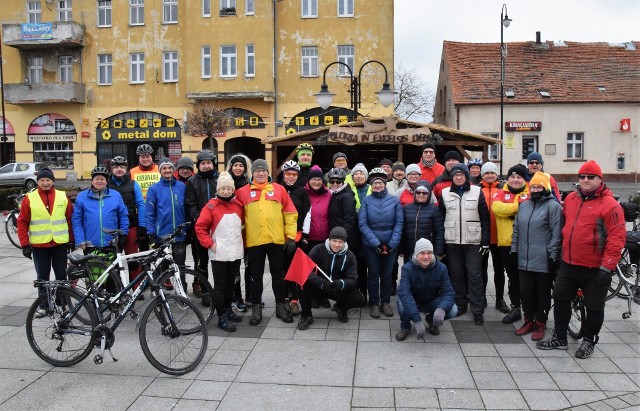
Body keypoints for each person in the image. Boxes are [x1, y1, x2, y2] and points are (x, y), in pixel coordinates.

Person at [537, 160, 626, 359]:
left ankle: (589, 340)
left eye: (590, 177)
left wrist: (607, 267)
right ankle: (560, 337)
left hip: (594, 267)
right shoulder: (571, 199)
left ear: (600, 180)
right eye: (582, 176)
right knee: (560, 299)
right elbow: (565, 228)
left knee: (594, 306)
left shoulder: (610, 206)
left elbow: (616, 238)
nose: (585, 180)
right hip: (569, 263)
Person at [235, 159, 298, 325]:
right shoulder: (242, 192)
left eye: (263, 170)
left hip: (276, 240)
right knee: (255, 277)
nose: (261, 173)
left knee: (278, 275)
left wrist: (291, 237)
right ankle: (256, 307)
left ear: (268, 172)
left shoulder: (279, 189)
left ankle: (280, 306)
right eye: (257, 171)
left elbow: (290, 214)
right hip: (254, 241)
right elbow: (237, 218)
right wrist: (240, 240)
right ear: (252, 173)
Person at [511, 172, 563, 341]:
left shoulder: (553, 206)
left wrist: (553, 255)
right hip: (524, 260)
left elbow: (556, 234)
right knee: (526, 293)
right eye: (533, 186)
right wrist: (514, 250)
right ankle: (528, 320)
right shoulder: (524, 206)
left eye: (539, 186)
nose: (535, 189)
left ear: (546, 188)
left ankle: (541, 323)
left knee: (542, 294)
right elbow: (517, 229)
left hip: (543, 260)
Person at [17, 167, 74, 318]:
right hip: (39, 245)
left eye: (48, 180)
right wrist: (24, 244)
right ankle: (44, 305)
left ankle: (62, 304)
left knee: (61, 276)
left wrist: (72, 240)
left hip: (59, 244)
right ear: (38, 182)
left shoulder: (62, 196)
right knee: (42, 276)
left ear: (53, 181)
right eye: (42, 180)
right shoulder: (30, 198)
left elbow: (70, 219)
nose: (45, 183)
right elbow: (22, 222)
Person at [439, 163, 490, 325]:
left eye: (461, 175)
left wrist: (485, 241)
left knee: (475, 275)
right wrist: (441, 243)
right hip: (452, 241)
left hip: (473, 241)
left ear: (466, 176)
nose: (459, 177)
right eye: (455, 175)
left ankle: (477, 309)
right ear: (452, 177)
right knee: (457, 275)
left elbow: (485, 218)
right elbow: (440, 219)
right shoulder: (445, 193)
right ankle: (460, 304)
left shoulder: (477, 191)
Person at [195, 172, 244, 332]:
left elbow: (242, 226)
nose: (225, 191)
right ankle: (221, 316)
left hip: (235, 251)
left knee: (231, 284)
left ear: (233, 190)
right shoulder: (210, 207)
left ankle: (229, 309)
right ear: (218, 190)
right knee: (220, 286)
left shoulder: (238, 205)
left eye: (229, 188)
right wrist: (210, 244)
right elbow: (200, 227)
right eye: (222, 188)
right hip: (219, 253)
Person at [296, 227, 365, 330]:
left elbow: (353, 280)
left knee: (359, 299)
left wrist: (341, 283)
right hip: (319, 286)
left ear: (344, 242)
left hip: (337, 288)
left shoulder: (350, 256)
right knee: (301, 283)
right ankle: (306, 315)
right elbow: (306, 271)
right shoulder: (318, 249)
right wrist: (323, 283)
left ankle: (341, 308)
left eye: (340, 242)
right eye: (334, 241)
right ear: (329, 240)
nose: (336, 244)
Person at [359, 167, 403, 318]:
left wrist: (392, 243)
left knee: (387, 274)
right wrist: (376, 243)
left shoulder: (394, 200)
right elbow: (363, 224)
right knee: (373, 274)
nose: (377, 185)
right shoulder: (366, 200)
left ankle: (385, 302)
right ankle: (374, 303)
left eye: (380, 183)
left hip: (391, 242)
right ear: (371, 185)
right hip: (371, 245)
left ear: (385, 184)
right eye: (375, 183)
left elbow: (399, 223)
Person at [396, 239, 457, 340]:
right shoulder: (407, 268)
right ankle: (405, 327)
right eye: (422, 253)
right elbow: (404, 293)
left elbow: (449, 293)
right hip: (413, 301)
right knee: (402, 303)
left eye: (429, 253)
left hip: (431, 301)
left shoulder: (442, 268)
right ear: (416, 254)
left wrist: (441, 308)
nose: (426, 256)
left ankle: (431, 320)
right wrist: (417, 320)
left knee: (453, 310)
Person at [492, 164, 529, 325]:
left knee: (527, 278)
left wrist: (510, 209)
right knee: (513, 277)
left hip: (527, 244)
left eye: (519, 177)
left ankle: (530, 309)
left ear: (524, 179)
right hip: (506, 243)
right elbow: (496, 208)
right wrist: (519, 207)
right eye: (512, 177)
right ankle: (515, 308)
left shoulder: (529, 192)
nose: (515, 180)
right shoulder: (500, 192)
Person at [185, 150, 219, 303]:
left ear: (213, 164)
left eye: (208, 163)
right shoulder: (192, 181)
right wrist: (200, 221)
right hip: (200, 228)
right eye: (203, 163)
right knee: (202, 261)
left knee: (221, 261)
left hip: (219, 227)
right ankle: (205, 290)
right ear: (198, 165)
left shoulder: (220, 178)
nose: (206, 166)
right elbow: (190, 203)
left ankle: (221, 290)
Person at [146, 157, 187, 278]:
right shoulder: (154, 189)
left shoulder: (182, 186)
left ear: (173, 170)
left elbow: (186, 208)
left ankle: (182, 291)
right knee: (161, 266)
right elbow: (149, 213)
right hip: (162, 234)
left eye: (170, 167)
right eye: (164, 168)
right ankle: (159, 292)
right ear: (160, 171)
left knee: (180, 266)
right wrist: (151, 233)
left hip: (179, 234)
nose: (167, 170)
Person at [107, 156, 146, 284]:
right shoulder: (106, 183)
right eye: (116, 167)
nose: (119, 170)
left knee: (133, 259)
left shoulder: (133, 184)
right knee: (113, 260)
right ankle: (115, 287)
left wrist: (142, 225)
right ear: (112, 169)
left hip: (131, 226)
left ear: (126, 169)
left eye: (122, 167)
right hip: (111, 228)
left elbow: (140, 204)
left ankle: (136, 287)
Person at [72, 165, 129, 251]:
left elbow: (123, 215)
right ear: (92, 181)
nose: (99, 181)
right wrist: (80, 241)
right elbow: (77, 221)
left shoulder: (116, 195)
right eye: (97, 179)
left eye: (102, 179)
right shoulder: (82, 197)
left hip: (111, 243)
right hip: (90, 244)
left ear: (106, 182)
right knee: (94, 265)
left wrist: (123, 234)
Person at [280, 160, 311, 316]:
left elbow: (307, 213)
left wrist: (305, 235)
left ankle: (294, 300)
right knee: (281, 269)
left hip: (297, 236)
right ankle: (283, 298)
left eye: (294, 174)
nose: (291, 177)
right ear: (283, 174)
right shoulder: (277, 189)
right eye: (288, 174)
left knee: (294, 269)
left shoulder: (302, 191)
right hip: (279, 236)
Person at [478, 162, 508, 314]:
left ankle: (500, 299)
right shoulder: (477, 190)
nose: (489, 175)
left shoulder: (503, 190)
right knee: (482, 268)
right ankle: (482, 298)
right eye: (486, 173)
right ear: (482, 175)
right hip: (483, 238)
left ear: (496, 175)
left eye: (492, 173)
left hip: (499, 238)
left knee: (499, 269)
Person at [226, 153, 252, 310]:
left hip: (248, 232)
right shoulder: (224, 182)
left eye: (241, 165)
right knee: (234, 268)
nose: (238, 168)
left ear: (245, 168)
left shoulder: (249, 184)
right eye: (235, 165)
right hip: (231, 233)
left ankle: (250, 296)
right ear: (231, 166)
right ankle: (237, 296)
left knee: (250, 266)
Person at [401, 180, 445, 260]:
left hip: (427, 252)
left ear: (429, 195)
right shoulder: (406, 209)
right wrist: (400, 249)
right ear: (415, 193)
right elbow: (402, 230)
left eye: (424, 193)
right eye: (418, 192)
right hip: (409, 250)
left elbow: (439, 232)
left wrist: (438, 252)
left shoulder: (435, 210)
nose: (421, 195)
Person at [129, 143, 159, 253]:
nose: (145, 159)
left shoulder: (159, 169)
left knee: (158, 246)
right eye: (142, 157)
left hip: (158, 212)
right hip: (140, 215)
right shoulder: (132, 172)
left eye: (147, 156)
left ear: (152, 157)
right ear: (139, 158)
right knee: (143, 248)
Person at [349, 163, 370, 302]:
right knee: (356, 264)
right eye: (356, 173)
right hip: (354, 232)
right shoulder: (348, 189)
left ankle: (366, 293)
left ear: (365, 176)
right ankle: (357, 295)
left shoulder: (372, 189)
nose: (358, 175)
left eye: (361, 173)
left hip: (369, 230)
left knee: (368, 265)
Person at [327, 167, 357, 244]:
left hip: (343, 237)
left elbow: (349, 219)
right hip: (334, 234)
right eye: (332, 181)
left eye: (338, 182)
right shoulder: (333, 194)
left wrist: (342, 236)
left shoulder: (347, 197)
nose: (335, 184)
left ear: (343, 182)